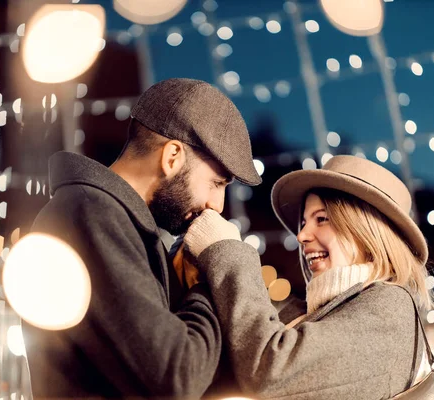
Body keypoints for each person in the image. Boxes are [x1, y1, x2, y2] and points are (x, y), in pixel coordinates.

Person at [22, 78, 261, 399]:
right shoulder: (91, 215)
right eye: (216, 183)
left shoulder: (118, 223)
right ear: (172, 156)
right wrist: (204, 282)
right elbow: (177, 376)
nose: (216, 206)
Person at [183, 155, 434, 399]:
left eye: (322, 219)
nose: (302, 235)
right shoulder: (315, 312)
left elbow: (270, 373)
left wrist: (225, 251)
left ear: (365, 230)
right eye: (303, 222)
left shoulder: (390, 307)